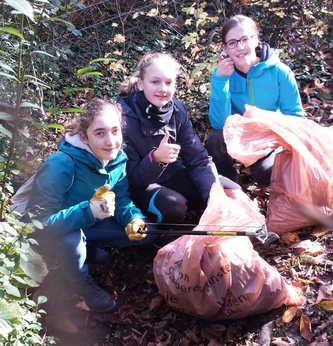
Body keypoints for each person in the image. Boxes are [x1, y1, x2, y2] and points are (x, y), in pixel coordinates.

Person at [26, 98, 156, 313]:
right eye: (100, 133)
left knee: (147, 232)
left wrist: (134, 218)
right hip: (60, 230)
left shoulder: (116, 159)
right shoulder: (61, 164)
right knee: (71, 241)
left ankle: (87, 248)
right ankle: (78, 280)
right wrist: (88, 209)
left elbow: (122, 198)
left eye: (115, 131)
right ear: (84, 138)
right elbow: (35, 225)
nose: (111, 141)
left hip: (91, 222)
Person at [117, 52, 240, 225]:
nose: (162, 89)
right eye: (155, 82)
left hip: (173, 176)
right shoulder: (122, 120)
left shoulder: (177, 110)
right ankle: (158, 237)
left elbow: (197, 158)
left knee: (229, 191)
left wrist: (212, 195)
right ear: (141, 84)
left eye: (168, 82)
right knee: (174, 206)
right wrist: (156, 160)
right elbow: (131, 181)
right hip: (141, 188)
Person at [205, 14, 304, 185]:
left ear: (256, 40)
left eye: (245, 39)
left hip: (268, 135)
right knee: (214, 140)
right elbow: (219, 124)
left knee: (264, 174)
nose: (240, 47)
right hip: (237, 133)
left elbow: (294, 115)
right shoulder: (222, 74)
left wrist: (282, 142)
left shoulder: (280, 72)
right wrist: (221, 80)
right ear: (225, 49)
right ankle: (230, 186)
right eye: (232, 43)